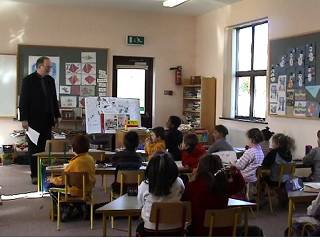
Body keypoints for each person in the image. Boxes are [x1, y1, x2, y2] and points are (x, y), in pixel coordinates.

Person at [19, 56, 61, 184]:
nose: (49, 69)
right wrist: (24, 119)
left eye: (50, 67)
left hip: (47, 119)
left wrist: (57, 115)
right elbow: (23, 101)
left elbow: (54, 99)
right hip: (33, 120)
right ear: (39, 66)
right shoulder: (28, 80)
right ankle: (34, 175)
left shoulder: (50, 80)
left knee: (45, 148)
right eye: (47, 66)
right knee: (34, 148)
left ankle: (43, 174)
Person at [182, 154, 246, 236]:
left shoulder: (192, 187)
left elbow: (184, 205)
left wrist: (192, 179)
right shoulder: (224, 186)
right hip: (225, 233)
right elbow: (240, 184)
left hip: (200, 232)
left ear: (200, 169)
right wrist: (235, 172)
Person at [48, 134, 96, 221]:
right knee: (72, 186)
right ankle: (80, 206)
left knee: (50, 186)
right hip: (87, 189)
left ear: (73, 148)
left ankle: (66, 208)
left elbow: (63, 179)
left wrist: (52, 179)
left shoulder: (74, 163)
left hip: (74, 191)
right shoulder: (91, 159)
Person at [136, 152, 185, 236]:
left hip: (151, 230)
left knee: (139, 225)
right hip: (177, 229)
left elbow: (140, 203)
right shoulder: (179, 182)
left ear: (150, 170)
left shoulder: (145, 185)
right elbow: (182, 193)